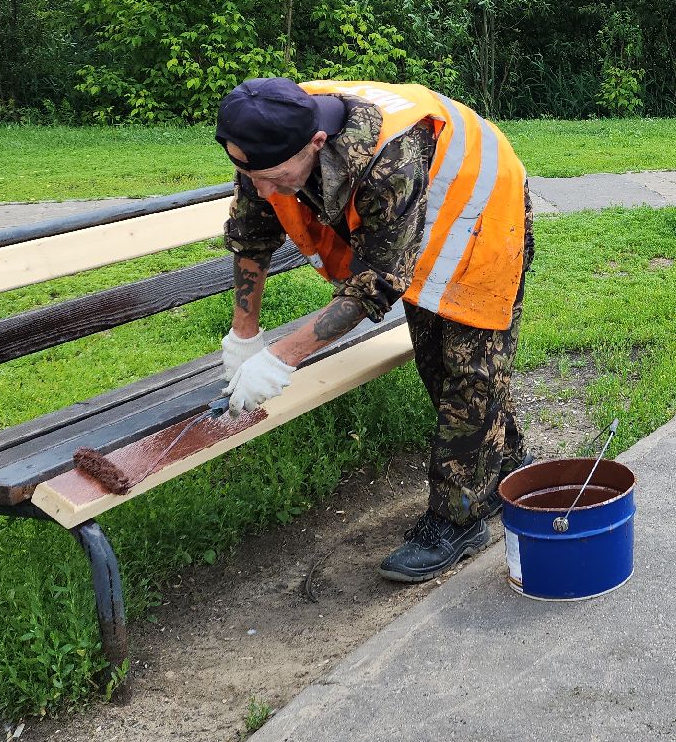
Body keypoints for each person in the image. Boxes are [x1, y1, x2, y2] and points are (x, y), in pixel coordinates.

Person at [214, 78, 532, 583]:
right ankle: (507, 461)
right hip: (409, 229)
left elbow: (378, 282)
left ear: (316, 143)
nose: (263, 189)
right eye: (248, 175)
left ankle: (459, 519)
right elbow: (252, 233)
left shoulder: (391, 157)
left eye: (275, 177)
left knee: (468, 372)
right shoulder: (268, 141)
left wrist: (281, 357)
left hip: (480, 213)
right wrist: (243, 336)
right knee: (434, 360)